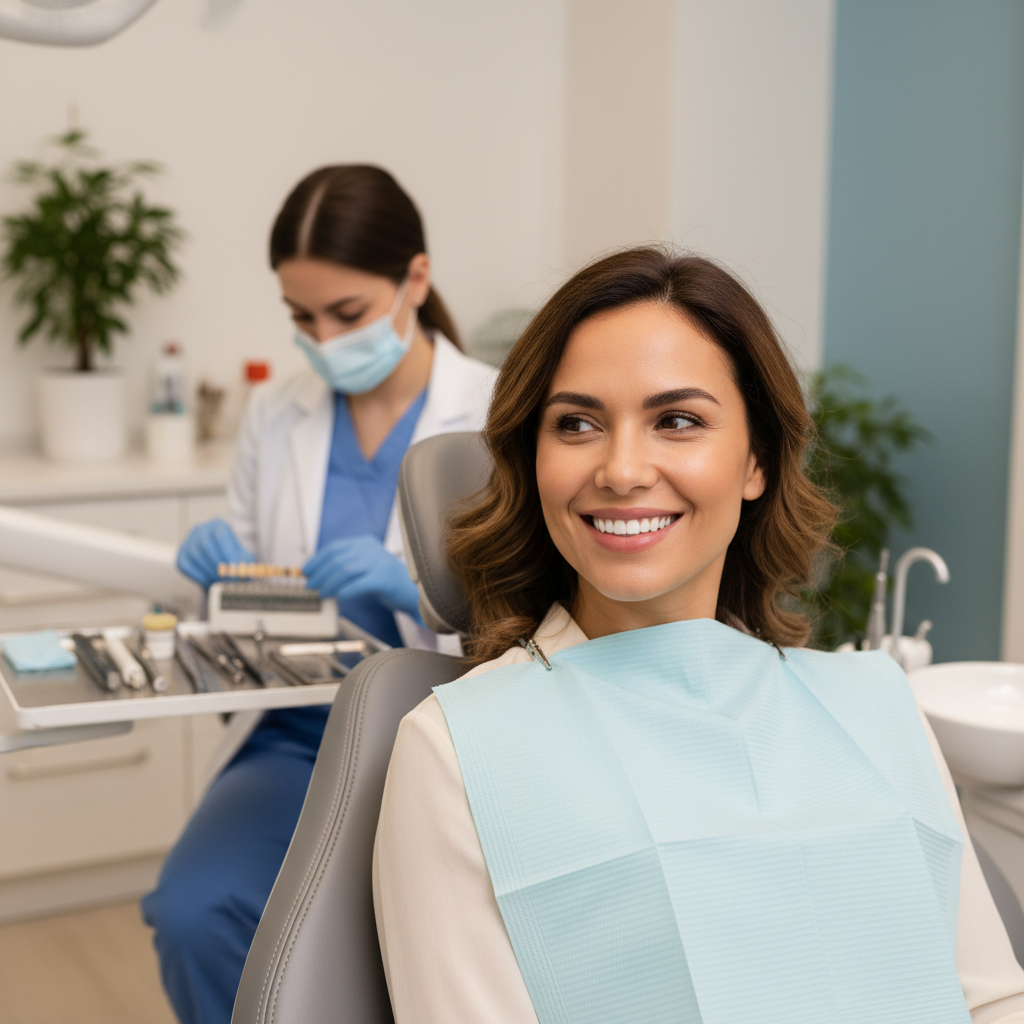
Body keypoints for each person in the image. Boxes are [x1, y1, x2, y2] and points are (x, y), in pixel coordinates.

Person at [372, 247, 1024, 1023]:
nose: (620, 469)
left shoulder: (875, 704)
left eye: (676, 421)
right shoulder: (457, 748)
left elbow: (992, 999)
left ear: (756, 461)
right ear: (532, 458)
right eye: (576, 423)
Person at [142, 165, 495, 1024]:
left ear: (415, 278)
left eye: (347, 314)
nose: (324, 340)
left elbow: (533, 619)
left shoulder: (495, 412)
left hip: (443, 738)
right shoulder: (276, 409)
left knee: (407, 957)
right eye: (302, 318)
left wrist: (416, 592)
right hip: (297, 733)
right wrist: (216, 576)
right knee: (193, 914)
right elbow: (247, 596)